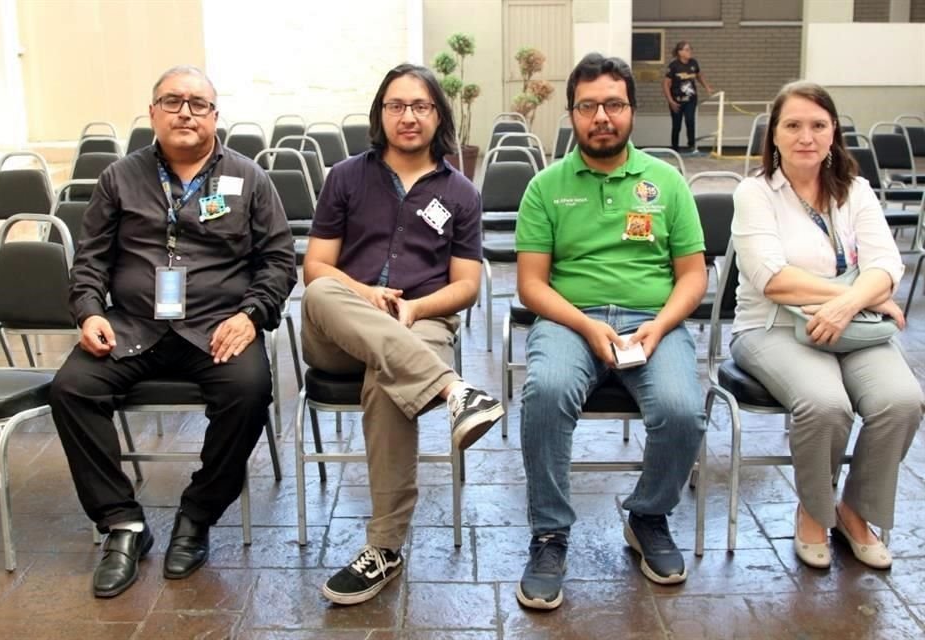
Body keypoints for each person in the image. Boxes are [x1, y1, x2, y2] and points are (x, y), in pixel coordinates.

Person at [49, 65, 296, 598]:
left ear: (215, 115)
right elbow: (89, 262)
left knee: (250, 390)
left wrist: (250, 315)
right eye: (173, 101)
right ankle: (122, 524)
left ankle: (198, 514)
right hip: (133, 326)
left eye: (198, 103)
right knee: (71, 388)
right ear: (153, 111)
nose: (186, 111)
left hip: (216, 329)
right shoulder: (120, 177)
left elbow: (278, 263)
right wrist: (90, 312)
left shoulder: (249, 178)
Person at [301, 63, 504, 606]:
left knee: (389, 381)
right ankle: (453, 389)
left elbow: (465, 286)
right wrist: (367, 295)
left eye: (420, 106)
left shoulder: (461, 193)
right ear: (380, 113)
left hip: (423, 322)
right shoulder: (346, 176)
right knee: (321, 293)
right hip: (341, 324)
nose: (408, 116)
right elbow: (317, 268)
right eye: (396, 105)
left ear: (437, 114)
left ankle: (384, 549)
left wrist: (412, 310)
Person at [514, 53, 708, 610]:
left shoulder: (666, 183)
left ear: (632, 111)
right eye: (588, 105)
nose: (602, 116)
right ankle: (550, 532)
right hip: (569, 319)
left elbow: (693, 275)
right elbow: (531, 285)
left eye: (614, 104)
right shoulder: (545, 187)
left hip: (654, 320)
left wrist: (660, 326)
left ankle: (647, 515)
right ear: (572, 113)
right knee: (546, 393)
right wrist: (584, 324)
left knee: (682, 408)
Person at [730, 81, 923, 571]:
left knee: (901, 400)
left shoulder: (855, 192)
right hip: (771, 326)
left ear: (833, 131)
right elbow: (773, 279)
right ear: (773, 134)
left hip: (854, 325)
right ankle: (814, 511)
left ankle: (855, 511)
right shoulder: (754, 193)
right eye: (792, 125)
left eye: (818, 125)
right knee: (826, 404)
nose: (806, 136)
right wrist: (862, 297)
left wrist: (851, 305)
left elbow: (886, 263)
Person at [662, 41, 712, 155]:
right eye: (687, 49)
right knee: (677, 125)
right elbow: (666, 84)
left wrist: (707, 87)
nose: (690, 52)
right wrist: (670, 101)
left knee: (690, 120)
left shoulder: (693, 63)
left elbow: (699, 75)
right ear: (680, 52)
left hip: (690, 99)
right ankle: (674, 148)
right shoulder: (674, 66)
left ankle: (691, 145)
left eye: (690, 49)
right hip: (677, 100)